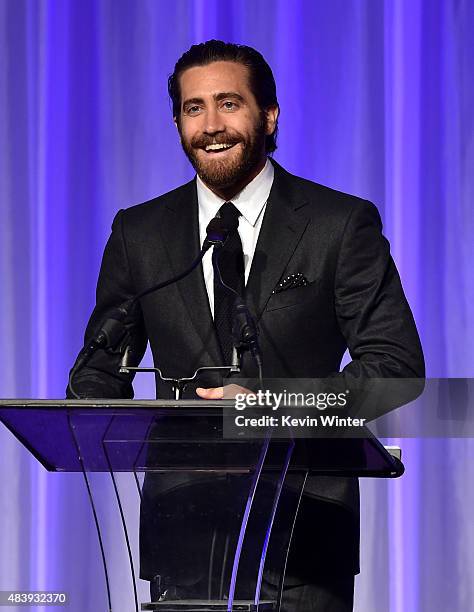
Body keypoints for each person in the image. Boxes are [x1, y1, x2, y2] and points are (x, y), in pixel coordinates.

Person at [69, 40, 424, 611]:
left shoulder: (339, 224)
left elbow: (395, 369)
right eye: (193, 108)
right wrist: (84, 409)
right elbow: (101, 369)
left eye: (229, 103)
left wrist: (267, 405)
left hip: (303, 537)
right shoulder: (139, 233)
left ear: (269, 114)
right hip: (183, 537)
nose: (210, 125)